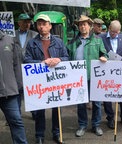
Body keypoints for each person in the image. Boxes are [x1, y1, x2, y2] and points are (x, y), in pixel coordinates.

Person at [23, 14, 69, 144]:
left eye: (44, 24)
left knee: (56, 108)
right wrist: (42, 62)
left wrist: (58, 59)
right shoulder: (32, 43)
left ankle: (57, 133)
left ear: (50, 26)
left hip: (55, 81)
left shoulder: (58, 42)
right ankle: (39, 135)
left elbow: (66, 57)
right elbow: (26, 60)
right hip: (40, 82)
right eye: (39, 24)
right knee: (39, 109)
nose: (41, 27)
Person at [67, 15, 108, 137]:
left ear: (90, 26)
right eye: (80, 25)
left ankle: (96, 125)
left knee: (96, 103)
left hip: (94, 77)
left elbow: (105, 54)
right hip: (78, 78)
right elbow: (67, 57)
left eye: (85, 24)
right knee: (80, 103)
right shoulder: (72, 42)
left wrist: (104, 57)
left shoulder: (97, 40)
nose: (82, 26)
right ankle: (82, 125)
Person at [99, 20, 122, 129]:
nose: (114, 34)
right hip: (106, 71)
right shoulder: (101, 38)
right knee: (107, 95)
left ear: (119, 31)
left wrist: (121, 62)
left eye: (116, 32)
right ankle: (110, 118)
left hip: (120, 71)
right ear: (109, 28)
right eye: (112, 32)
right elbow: (99, 53)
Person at [0, 31, 28, 144]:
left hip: (9, 92)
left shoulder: (9, 40)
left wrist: (19, 85)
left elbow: (17, 65)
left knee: (16, 121)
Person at [14, 13, 38, 119]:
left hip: (30, 69)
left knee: (31, 91)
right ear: (19, 23)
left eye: (28, 22)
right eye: (24, 21)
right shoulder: (12, 35)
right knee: (17, 93)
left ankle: (34, 113)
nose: (27, 24)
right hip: (16, 68)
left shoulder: (35, 35)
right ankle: (16, 115)